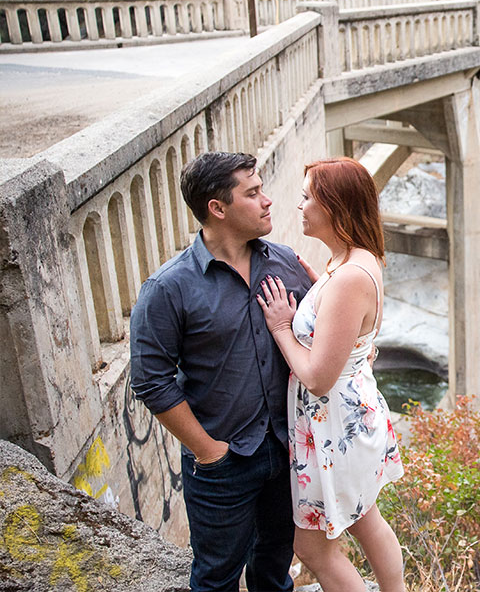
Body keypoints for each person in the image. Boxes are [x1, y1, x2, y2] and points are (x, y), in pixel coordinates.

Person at [130, 151, 313, 592]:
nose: (268, 200)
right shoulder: (169, 288)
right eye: (252, 193)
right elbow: (150, 380)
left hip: (289, 451)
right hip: (222, 464)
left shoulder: (285, 262)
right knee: (216, 579)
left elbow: (319, 338)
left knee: (274, 570)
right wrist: (208, 451)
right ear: (218, 208)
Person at [256, 157, 405, 592]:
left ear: (334, 206)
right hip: (349, 419)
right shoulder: (352, 262)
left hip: (333, 424)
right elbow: (347, 326)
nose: (299, 206)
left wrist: (283, 327)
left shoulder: (348, 278)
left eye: (307, 198)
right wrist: (321, 285)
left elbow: (317, 378)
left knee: (315, 550)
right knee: (365, 519)